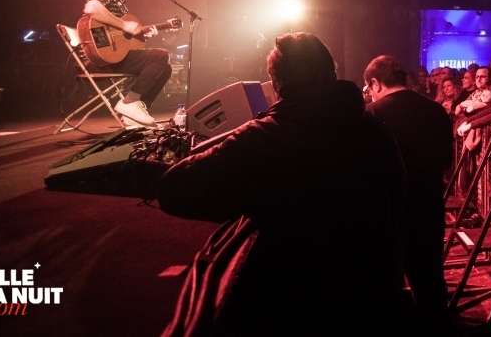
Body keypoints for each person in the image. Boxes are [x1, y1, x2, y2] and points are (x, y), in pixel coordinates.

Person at [158, 33, 406, 333]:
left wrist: (248, 203)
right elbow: (398, 196)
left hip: (294, 298)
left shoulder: (264, 136)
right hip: (373, 291)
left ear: (277, 85)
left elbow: (173, 189)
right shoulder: (375, 130)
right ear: (331, 72)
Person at [364, 55, 454, 336]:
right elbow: (447, 162)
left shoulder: (371, 114)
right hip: (429, 208)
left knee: (386, 283)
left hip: (391, 212)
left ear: (375, 83)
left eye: (369, 88)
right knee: (430, 282)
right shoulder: (436, 110)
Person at [82, 0, 172, 127]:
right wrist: (125, 26)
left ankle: (136, 112)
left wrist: (140, 34)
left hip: (114, 57)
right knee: (160, 55)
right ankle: (130, 102)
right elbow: (91, 7)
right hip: (98, 61)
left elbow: (121, 41)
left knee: (166, 67)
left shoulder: (120, 4)